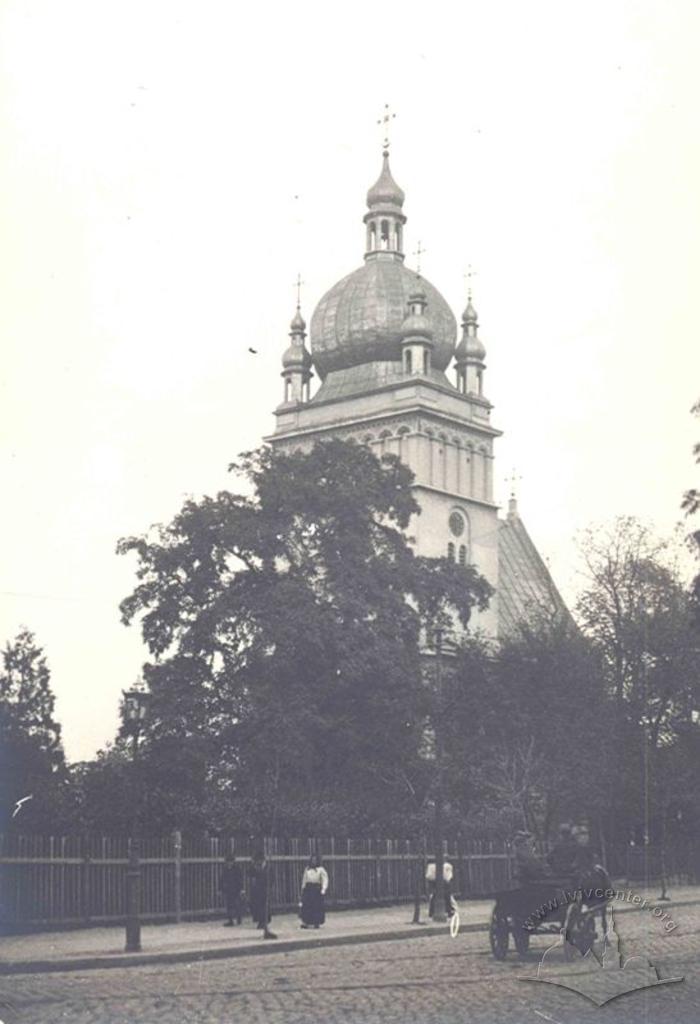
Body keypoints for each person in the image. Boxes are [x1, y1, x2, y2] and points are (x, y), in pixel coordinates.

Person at [249, 851, 277, 939]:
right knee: (258, 906)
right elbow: (250, 874)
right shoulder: (256, 867)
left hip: (265, 889)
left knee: (265, 906)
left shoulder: (268, 867)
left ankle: (264, 922)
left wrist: (270, 887)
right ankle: (261, 921)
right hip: (257, 890)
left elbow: (272, 878)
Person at [299, 853, 329, 928]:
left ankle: (316, 922)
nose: (313, 861)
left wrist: (323, 889)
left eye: (315, 860)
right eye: (312, 860)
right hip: (308, 889)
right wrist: (303, 889)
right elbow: (304, 880)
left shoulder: (321, 869)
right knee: (306, 906)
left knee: (316, 907)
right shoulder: (307, 869)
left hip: (316, 889)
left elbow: (325, 879)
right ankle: (306, 922)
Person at [220, 854, 244, 927]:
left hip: (236, 889)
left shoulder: (237, 869)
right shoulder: (225, 869)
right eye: (228, 861)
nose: (229, 863)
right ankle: (230, 920)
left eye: (230, 861)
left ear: (233, 862)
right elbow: (221, 879)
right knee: (229, 905)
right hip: (228, 890)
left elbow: (240, 880)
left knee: (237, 905)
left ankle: (239, 918)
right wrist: (220, 889)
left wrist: (241, 889)